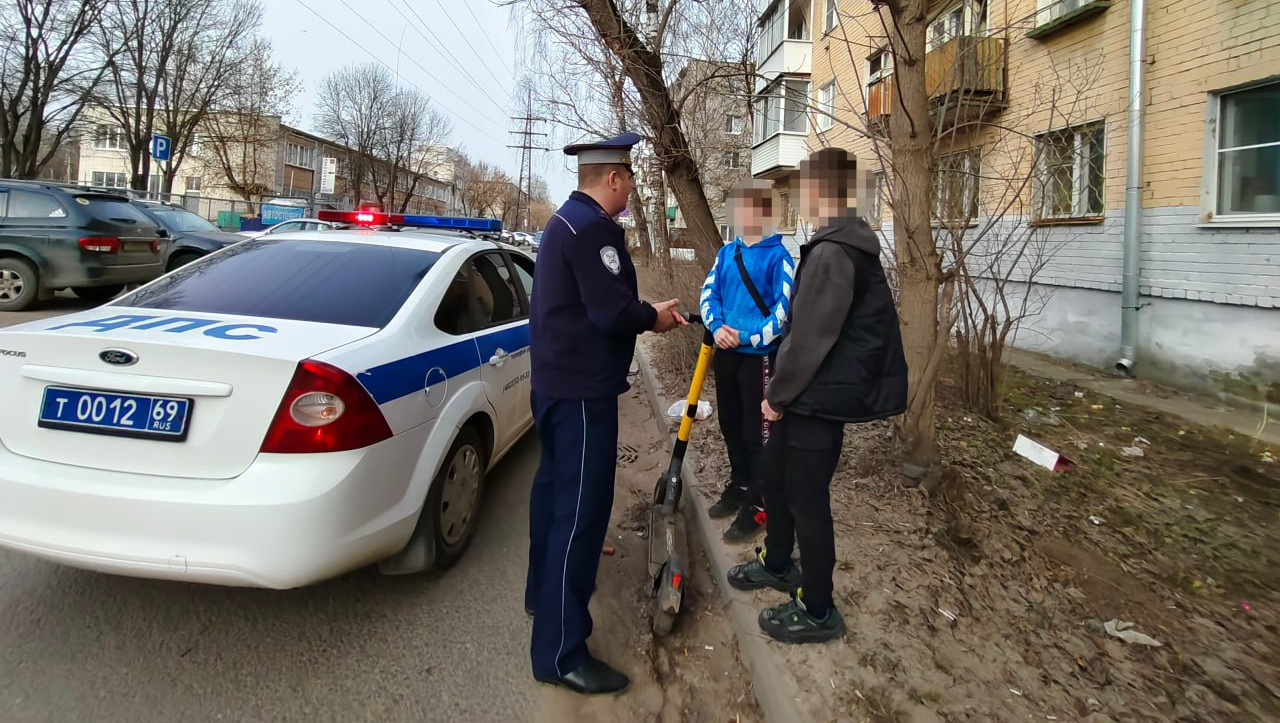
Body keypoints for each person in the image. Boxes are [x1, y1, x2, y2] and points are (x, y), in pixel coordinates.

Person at [524, 132, 687, 695]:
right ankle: (561, 652)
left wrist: (641, 310)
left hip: (553, 385)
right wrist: (654, 317)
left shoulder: (561, 222)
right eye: (631, 178)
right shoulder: (594, 230)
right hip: (582, 394)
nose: (633, 188)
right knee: (580, 513)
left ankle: (540, 598)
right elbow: (610, 312)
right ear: (613, 179)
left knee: (551, 497)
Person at [727, 148, 908, 644]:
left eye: (804, 186)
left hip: (816, 398)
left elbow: (810, 338)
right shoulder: (836, 242)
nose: (800, 196)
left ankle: (817, 608)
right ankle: (780, 562)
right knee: (777, 478)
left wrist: (776, 395)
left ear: (824, 190)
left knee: (807, 498)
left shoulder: (834, 251)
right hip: (808, 394)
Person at [699, 180, 794, 544]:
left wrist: (745, 335)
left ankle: (760, 503)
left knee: (758, 435)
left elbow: (781, 315)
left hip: (759, 360)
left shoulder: (778, 257)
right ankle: (739, 485)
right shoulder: (726, 254)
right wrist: (718, 326)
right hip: (727, 358)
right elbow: (710, 295)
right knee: (731, 426)